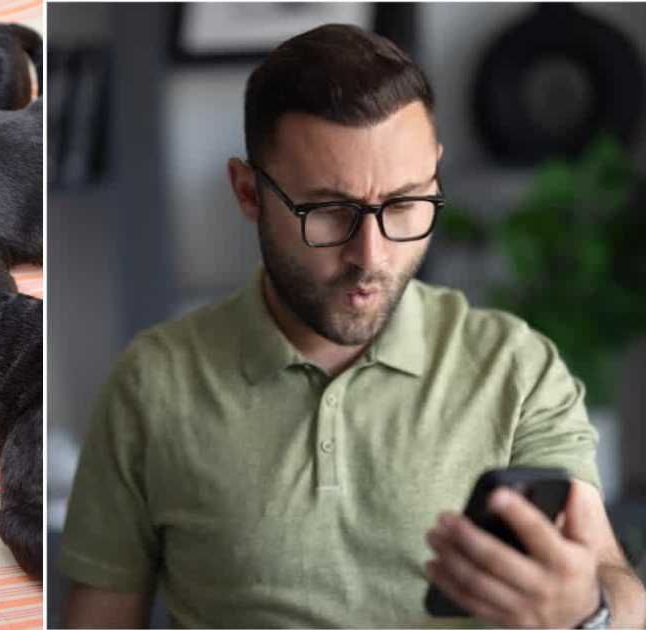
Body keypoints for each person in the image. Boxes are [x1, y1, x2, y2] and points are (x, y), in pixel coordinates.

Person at [59, 24, 646, 628]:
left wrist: (587, 611)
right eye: (329, 211)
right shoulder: (153, 382)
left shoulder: (516, 369)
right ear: (248, 192)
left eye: (403, 204)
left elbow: (616, 583)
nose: (372, 255)